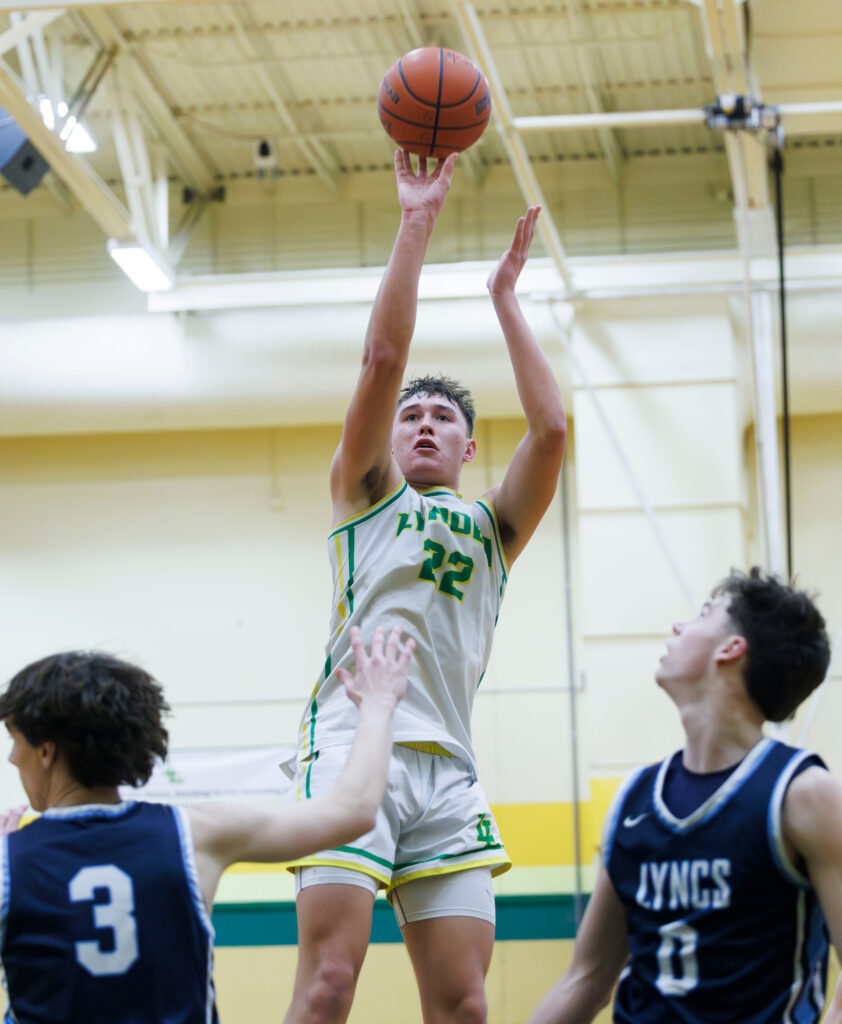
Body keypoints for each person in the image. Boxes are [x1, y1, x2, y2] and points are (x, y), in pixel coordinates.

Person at [283, 149, 567, 1024]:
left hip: (448, 766)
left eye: (443, 415)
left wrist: (506, 301)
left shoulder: (492, 529)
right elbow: (380, 357)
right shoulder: (365, 492)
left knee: (467, 1006)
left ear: (468, 447)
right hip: (351, 741)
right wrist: (417, 224)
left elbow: (552, 428)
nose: (423, 423)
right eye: (412, 413)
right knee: (331, 981)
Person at [0, 624, 413, 1024]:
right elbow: (354, 810)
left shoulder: (7, 861)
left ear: (46, 751)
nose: (11, 757)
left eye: (14, 739)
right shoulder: (198, 832)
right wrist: (377, 707)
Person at [527, 567, 842, 1024]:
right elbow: (587, 978)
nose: (678, 627)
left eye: (702, 615)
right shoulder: (634, 799)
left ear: (732, 649)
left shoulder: (802, 794)